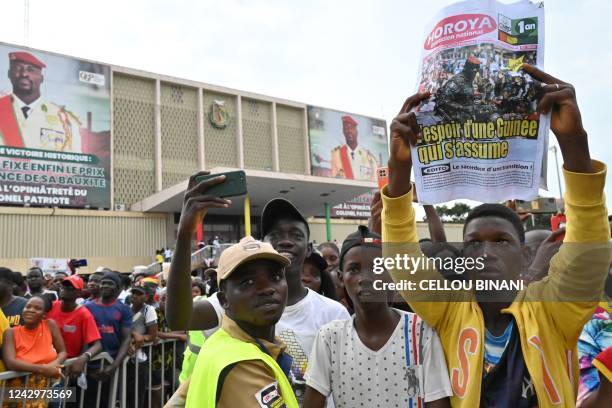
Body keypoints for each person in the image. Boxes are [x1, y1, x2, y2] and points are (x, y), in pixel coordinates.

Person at [382, 65, 610, 407]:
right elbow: (404, 262)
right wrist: (400, 173)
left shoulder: (553, 310)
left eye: (502, 241)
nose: (486, 252)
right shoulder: (448, 309)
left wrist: (574, 144)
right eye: (474, 242)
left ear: (525, 255)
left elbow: (588, 248)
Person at [166, 174, 349, 404]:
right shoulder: (234, 311)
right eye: (275, 235)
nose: (286, 241)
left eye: (296, 235)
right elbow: (178, 318)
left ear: (309, 247)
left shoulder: (333, 313)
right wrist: (185, 234)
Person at [304, 226, 452, 407]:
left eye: (377, 268)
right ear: (341, 278)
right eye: (354, 269)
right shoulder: (329, 338)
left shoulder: (421, 332)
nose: (366, 278)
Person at [185, 236, 298, 407]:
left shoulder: (221, 343)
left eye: (275, 277)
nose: (267, 289)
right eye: (248, 282)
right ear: (224, 300)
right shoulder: (242, 363)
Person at [0, 51, 82, 152]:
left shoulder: (64, 119)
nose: (24, 74)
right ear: (9, 74)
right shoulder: (2, 107)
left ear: (42, 78)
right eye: (18, 69)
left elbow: (74, 161)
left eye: (31, 70)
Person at [2, 295, 67, 408]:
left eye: (37, 308)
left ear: (44, 314)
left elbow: (63, 352)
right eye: (28, 307)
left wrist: (53, 365)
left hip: (48, 386)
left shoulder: (50, 325)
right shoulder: (10, 333)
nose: (31, 310)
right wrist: (44, 369)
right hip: (19, 390)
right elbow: (10, 362)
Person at [84, 272, 133, 407]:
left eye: (110, 283)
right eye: (103, 282)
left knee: (107, 402)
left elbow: (126, 339)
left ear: (117, 288)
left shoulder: (124, 309)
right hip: (89, 365)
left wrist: (113, 366)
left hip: (110, 364)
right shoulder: (87, 307)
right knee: (85, 401)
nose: (105, 285)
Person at [46, 275, 102, 373]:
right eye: (63, 287)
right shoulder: (51, 306)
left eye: (70, 288)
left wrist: (82, 358)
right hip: (46, 362)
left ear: (78, 293)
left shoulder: (84, 314)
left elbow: (97, 345)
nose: (64, 289)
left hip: (67, 366)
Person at [127, 282, 158, 408]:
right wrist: (133, 334)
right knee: (125, 393)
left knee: (137, 394)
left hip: (139, 358)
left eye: (139, 294)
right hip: (125, 356)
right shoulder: (126, 308)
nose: (135, 296)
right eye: (133, 293)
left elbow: (152, 335)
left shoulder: (148, 310)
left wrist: (140, 338)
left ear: (145, 296)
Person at [330, 115, 378, 180]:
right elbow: (334, 179)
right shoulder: (336, 154)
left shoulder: (368, 157)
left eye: (352, 128)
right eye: (346, 129)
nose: (349, 131)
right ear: (343, 132)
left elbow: (375, 180)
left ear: (356, 131)